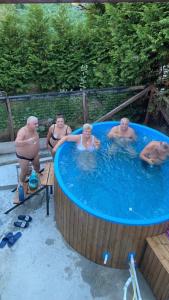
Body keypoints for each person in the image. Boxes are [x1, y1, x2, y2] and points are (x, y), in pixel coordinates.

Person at [15, 116, 40, 185]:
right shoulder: (22, 131)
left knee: (37, 166)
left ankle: (37, 176)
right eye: (35, 124)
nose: (37, 125)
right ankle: (22, 184)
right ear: (28, 124)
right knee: (24, 171)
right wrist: (27, 142)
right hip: (24, 157)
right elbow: (16, 143)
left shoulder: (33, 129)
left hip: (35, 155)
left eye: (37, 123)